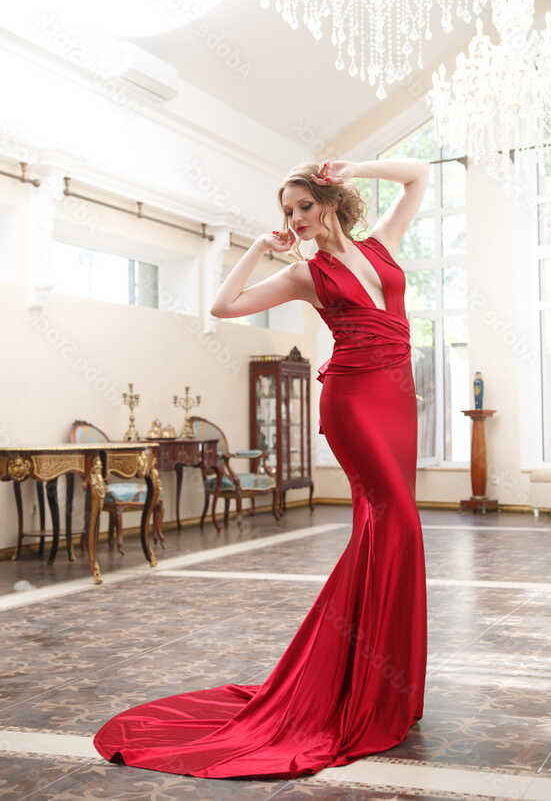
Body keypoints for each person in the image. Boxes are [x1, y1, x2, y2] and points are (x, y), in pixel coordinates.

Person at [93, 156, 430, 779]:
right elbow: (225, 306)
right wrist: (255, 247)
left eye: (303, 206)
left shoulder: (382, 246)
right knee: (397, 526)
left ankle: (386, 687)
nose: (295, 219)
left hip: (398, 400)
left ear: (329, 202)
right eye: (287, 211)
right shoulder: (307, 274)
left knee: (387, 535)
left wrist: (357, 163)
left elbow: (418, 175)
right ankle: (361, 688)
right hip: (354, 402)